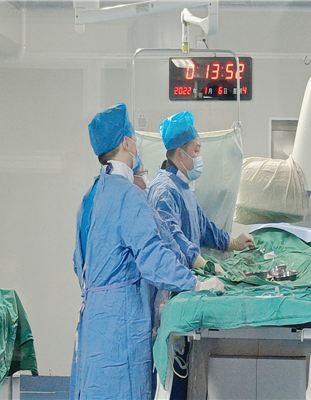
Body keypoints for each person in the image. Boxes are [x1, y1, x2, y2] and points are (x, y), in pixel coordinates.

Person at [70, 103, 224, 400]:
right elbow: (152, 257)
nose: (136, 144)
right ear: (126, 143)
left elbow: (79, 263)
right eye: (134, 138)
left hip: (93, 322)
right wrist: (194, 283)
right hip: (122, 323)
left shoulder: (90, 196)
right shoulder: (128, 196)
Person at [147, 111, 255, 272]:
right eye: (196, 151)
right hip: (176, 279)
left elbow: (203, 228)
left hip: (188, 276)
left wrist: (233, 243)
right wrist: (203, 265)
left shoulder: (183, 187)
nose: (199, 157)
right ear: (180, 154)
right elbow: (171, 238)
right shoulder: (164, 191)